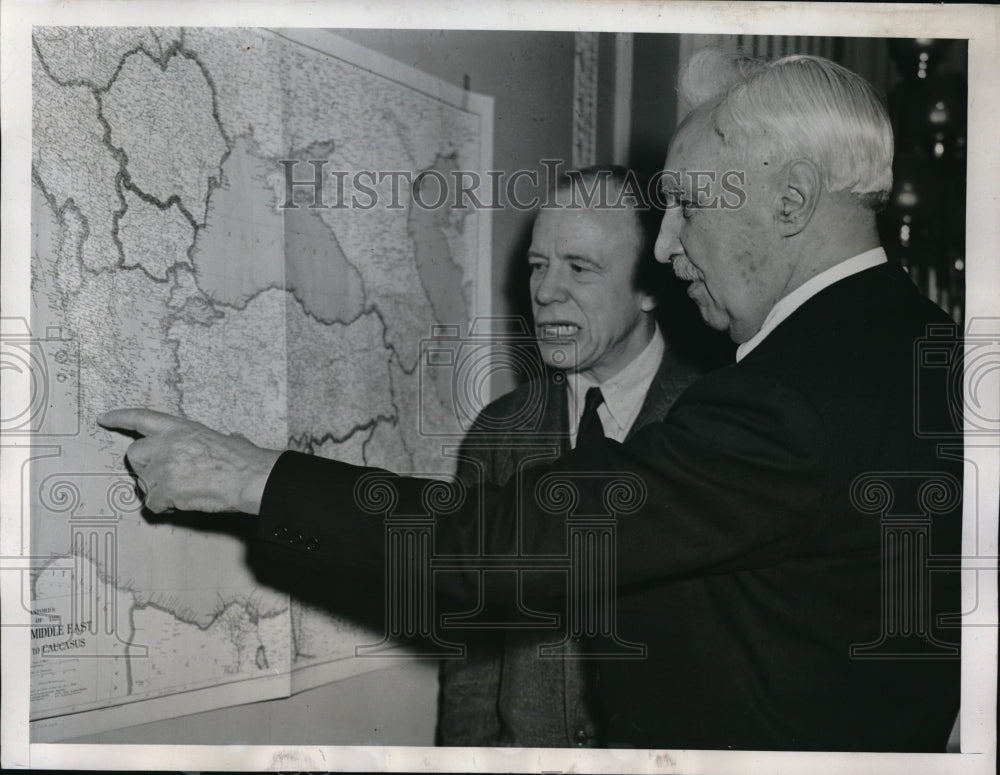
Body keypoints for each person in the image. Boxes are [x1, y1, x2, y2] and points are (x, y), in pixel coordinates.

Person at [100, 50, 962, 751]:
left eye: (689, 206)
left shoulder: (790, 398)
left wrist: (251, 475)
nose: (664, 246)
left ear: (793, 197)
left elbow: (496, 549)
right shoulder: (924, 346)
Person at [437, 166, 701, 747]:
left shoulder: (711, 424)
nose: (546, 291)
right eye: (538, 265)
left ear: (649, 286)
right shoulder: (498, 434)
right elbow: (473, 661)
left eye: (579, 268)